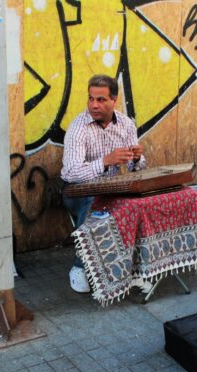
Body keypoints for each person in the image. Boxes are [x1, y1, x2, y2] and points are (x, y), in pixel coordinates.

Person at [61, 74, 146, 292]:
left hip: (114, 188)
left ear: (114, 100)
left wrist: (136, 158)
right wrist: (105, 161)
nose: (94, 105)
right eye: (91, 99)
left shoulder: (126, 124)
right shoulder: (79, 127)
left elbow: (139, 169)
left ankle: (136, 265)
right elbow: (71, 173)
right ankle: (81, 267)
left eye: (101, 100)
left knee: (140, 202)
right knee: (94, 202)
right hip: (77, 192)